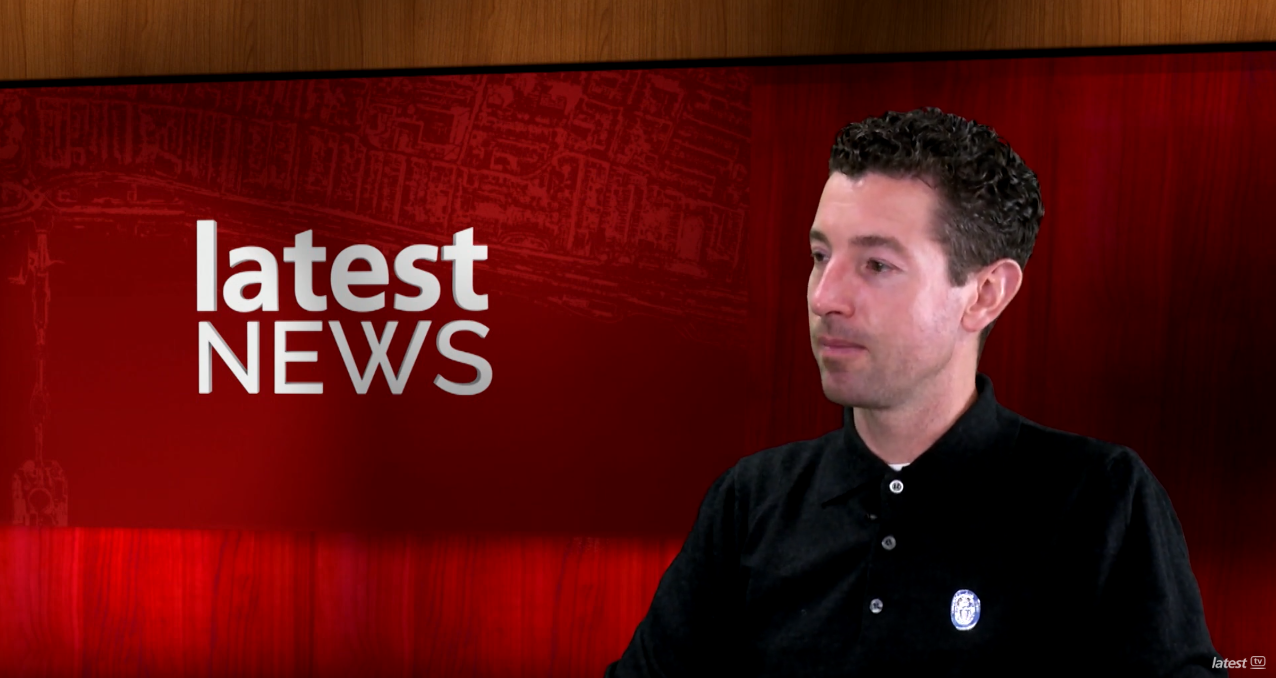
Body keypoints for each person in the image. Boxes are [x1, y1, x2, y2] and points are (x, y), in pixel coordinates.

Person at [603, 107, 1224, 677]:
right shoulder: (749, 503)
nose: (824, 297)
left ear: (985, 294)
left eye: (877, 265)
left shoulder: (1102, 501)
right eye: (820, 256)